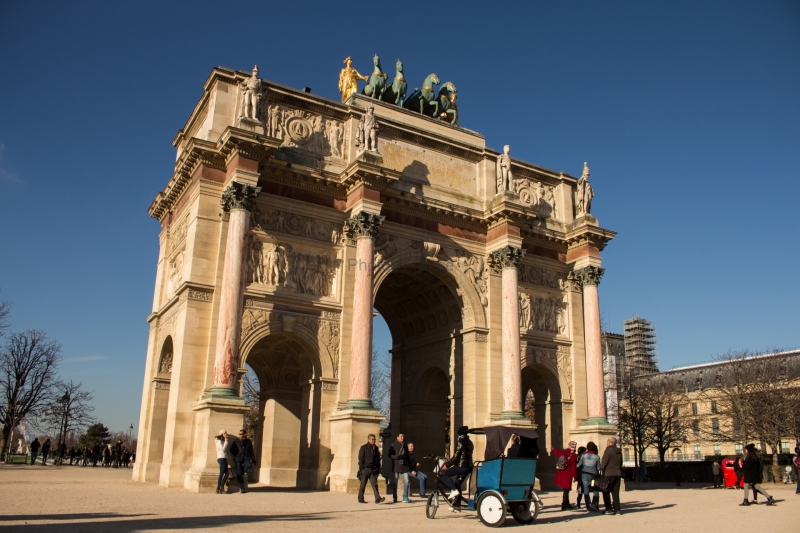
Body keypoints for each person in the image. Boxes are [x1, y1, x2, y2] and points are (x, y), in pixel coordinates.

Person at [441, 426, 474, 500]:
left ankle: (453, 490)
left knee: (446, 474)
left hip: (461, 467)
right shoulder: (470, 442)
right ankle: (457, 503)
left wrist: (447, 465)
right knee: (457, 484)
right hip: (469, 467)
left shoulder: (460, 442)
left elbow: (456, 457)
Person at [357, 434, 385, 504]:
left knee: (374, 484)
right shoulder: (363, 448)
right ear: (368, 439)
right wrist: (362, 469)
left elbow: (378, 459)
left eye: (374, 439)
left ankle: (377, 498)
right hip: (366, 469)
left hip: (373, 469)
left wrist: (378, 468)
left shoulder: (376, 448)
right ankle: (360, 498)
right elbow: (361, 459)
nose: (373, 441)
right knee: (363, 484)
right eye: (372, 439)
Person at [600, 437, 622, 515]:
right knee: (615, 493)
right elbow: (620, 463)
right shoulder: (619, 451)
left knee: (606, 491)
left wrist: (601, 470)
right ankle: (617, 509)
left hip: (609, 473)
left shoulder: (608, 450)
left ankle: (609, 508)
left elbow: (604, 462)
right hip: (617, 473)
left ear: (609, 442)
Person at [553, 441, 578, 510]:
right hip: (568, 474)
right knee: (566, 490)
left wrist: (553, 449)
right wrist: (575, 476)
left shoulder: (564, 452)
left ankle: (566, 504)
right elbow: (573, 468)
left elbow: (557, 452)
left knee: (565, 490)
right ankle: (565, 504)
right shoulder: (574, 455)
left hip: (561, 472)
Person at [577, 442, 601, 512]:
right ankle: (593, 504)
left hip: (584, 475)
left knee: (586, 490)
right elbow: (599, 467)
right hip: (593, 476)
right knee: (595, 489)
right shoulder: (596, 457)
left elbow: (578, 465)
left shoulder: (584, 456)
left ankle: (588, 506)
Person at [388, 433, 411, 503]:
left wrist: (410, 466)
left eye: (403, 436)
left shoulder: (405, 445)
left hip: (404, 466)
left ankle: (405, 497)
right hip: (396, 466)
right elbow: (389, 455)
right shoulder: (393, 445)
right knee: (395, 483)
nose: (402, 438)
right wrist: (396, 457)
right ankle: (395, 497)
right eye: (401, 436)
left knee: (406, 482)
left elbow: (407, 456)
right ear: (397, 437)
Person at [223, 429, 244, 493]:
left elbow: (250, 451)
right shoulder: (236, 441)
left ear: (245, 434)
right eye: (239, 434)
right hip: (238, 459)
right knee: (239, 473)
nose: (240, 435)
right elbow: (231, 450)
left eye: (241, 434)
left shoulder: (248, 441)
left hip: (245, 460)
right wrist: (237, 455)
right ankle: (242, 487)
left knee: (243, 472)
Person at [214, 430, 229, 494]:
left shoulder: (221, 440)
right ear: (221, 434)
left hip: (224, 458)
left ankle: (221, 487)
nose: (226, 434)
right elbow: (223, 449)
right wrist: (226, 441)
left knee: (227, 473)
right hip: (221, 458)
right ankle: (219, 487)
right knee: (222, 473)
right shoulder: (218, 440)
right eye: (225, 433)